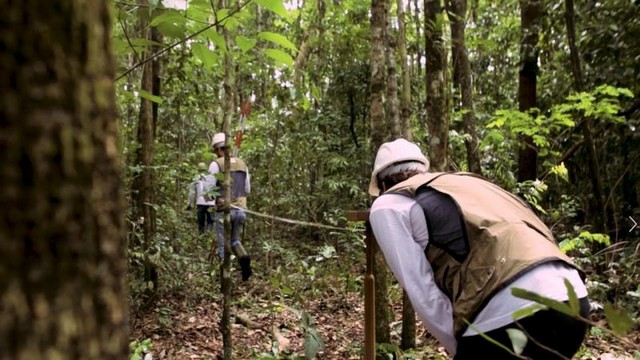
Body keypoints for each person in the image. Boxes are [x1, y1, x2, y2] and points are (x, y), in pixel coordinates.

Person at [368, 138, 589, 360]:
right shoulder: (467, 184)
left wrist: (459, 347)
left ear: (384, 185)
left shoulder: (388, 204)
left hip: (509, 310)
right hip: (574, 301)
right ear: (423, 170)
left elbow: (420, 288)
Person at [209, 132, 252, 281]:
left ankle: (225, 280)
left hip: (224, 211)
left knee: (222, 245)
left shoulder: (216, 165)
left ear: (218, 149)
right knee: (235, 241)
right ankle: (244, 257)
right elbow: (247, 190)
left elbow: (209, 190)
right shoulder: (243, 164)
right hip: (240, 211)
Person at [187, 162, 216, 234]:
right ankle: (208, 234)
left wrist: (190, 204)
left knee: (201, 222)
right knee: (210, 220)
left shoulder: (196, 178)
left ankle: (201, 236)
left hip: (201, 202)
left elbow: (192, 193)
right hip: (211, 202)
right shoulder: (212, 177)